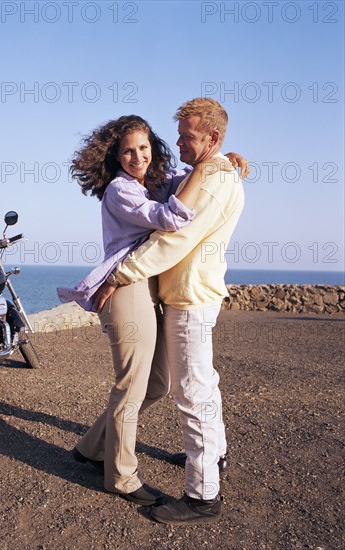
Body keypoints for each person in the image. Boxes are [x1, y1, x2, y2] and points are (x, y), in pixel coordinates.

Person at [59, 114, 247, 506]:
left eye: (143, 147)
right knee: (131, 383)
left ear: (153, 148)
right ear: (115, 156)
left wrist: (220, 159)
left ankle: (91, 447)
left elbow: (186, 181)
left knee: (157, 383)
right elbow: (171, 217)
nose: (137, 157)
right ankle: (121, 476)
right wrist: (208, 163)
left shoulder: (158, 182)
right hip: (125, 286)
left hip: (149, 284)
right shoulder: (119, 190)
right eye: (127, 151)